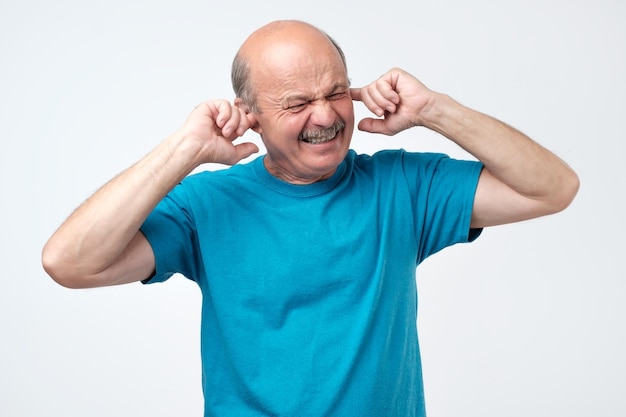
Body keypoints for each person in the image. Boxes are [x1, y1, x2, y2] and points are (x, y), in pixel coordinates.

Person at [42, 19, 579, 417]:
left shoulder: (402, 187)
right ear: (249, 114)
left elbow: (553, 189)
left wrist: (433, 109)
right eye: (297, 102)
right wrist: (183, 149)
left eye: (335, 92)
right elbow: (69, 263)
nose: (325, 116)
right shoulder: (205, 205)